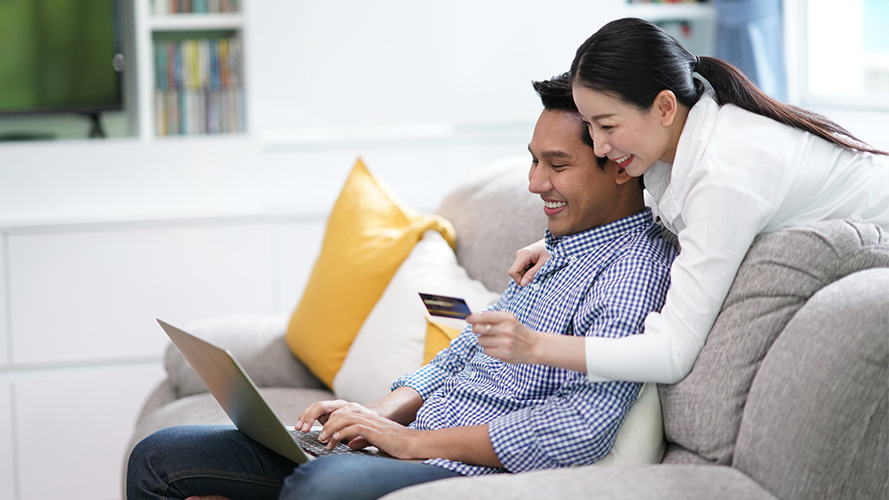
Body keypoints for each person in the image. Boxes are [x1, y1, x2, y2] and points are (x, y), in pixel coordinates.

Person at [125, 73, 677, 500]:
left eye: (556, 165)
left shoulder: (631, 270)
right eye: (533, 162)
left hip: (449, 465)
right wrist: (372, 415)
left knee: (322, 488)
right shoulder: (553, 249)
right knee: (158, 457)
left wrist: (410, 444)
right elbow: (457, 355)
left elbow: (583, 426)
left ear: (620, 162)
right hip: (400, 447)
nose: (535, 184)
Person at [487, 17, 889, 384]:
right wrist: (556, 245)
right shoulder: (671, 145)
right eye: (590, 126)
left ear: (664, 106)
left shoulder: (724, 173)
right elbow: (658, 216)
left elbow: (672, 353)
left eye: (607, 125)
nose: (600, 146)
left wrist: (535, 347)